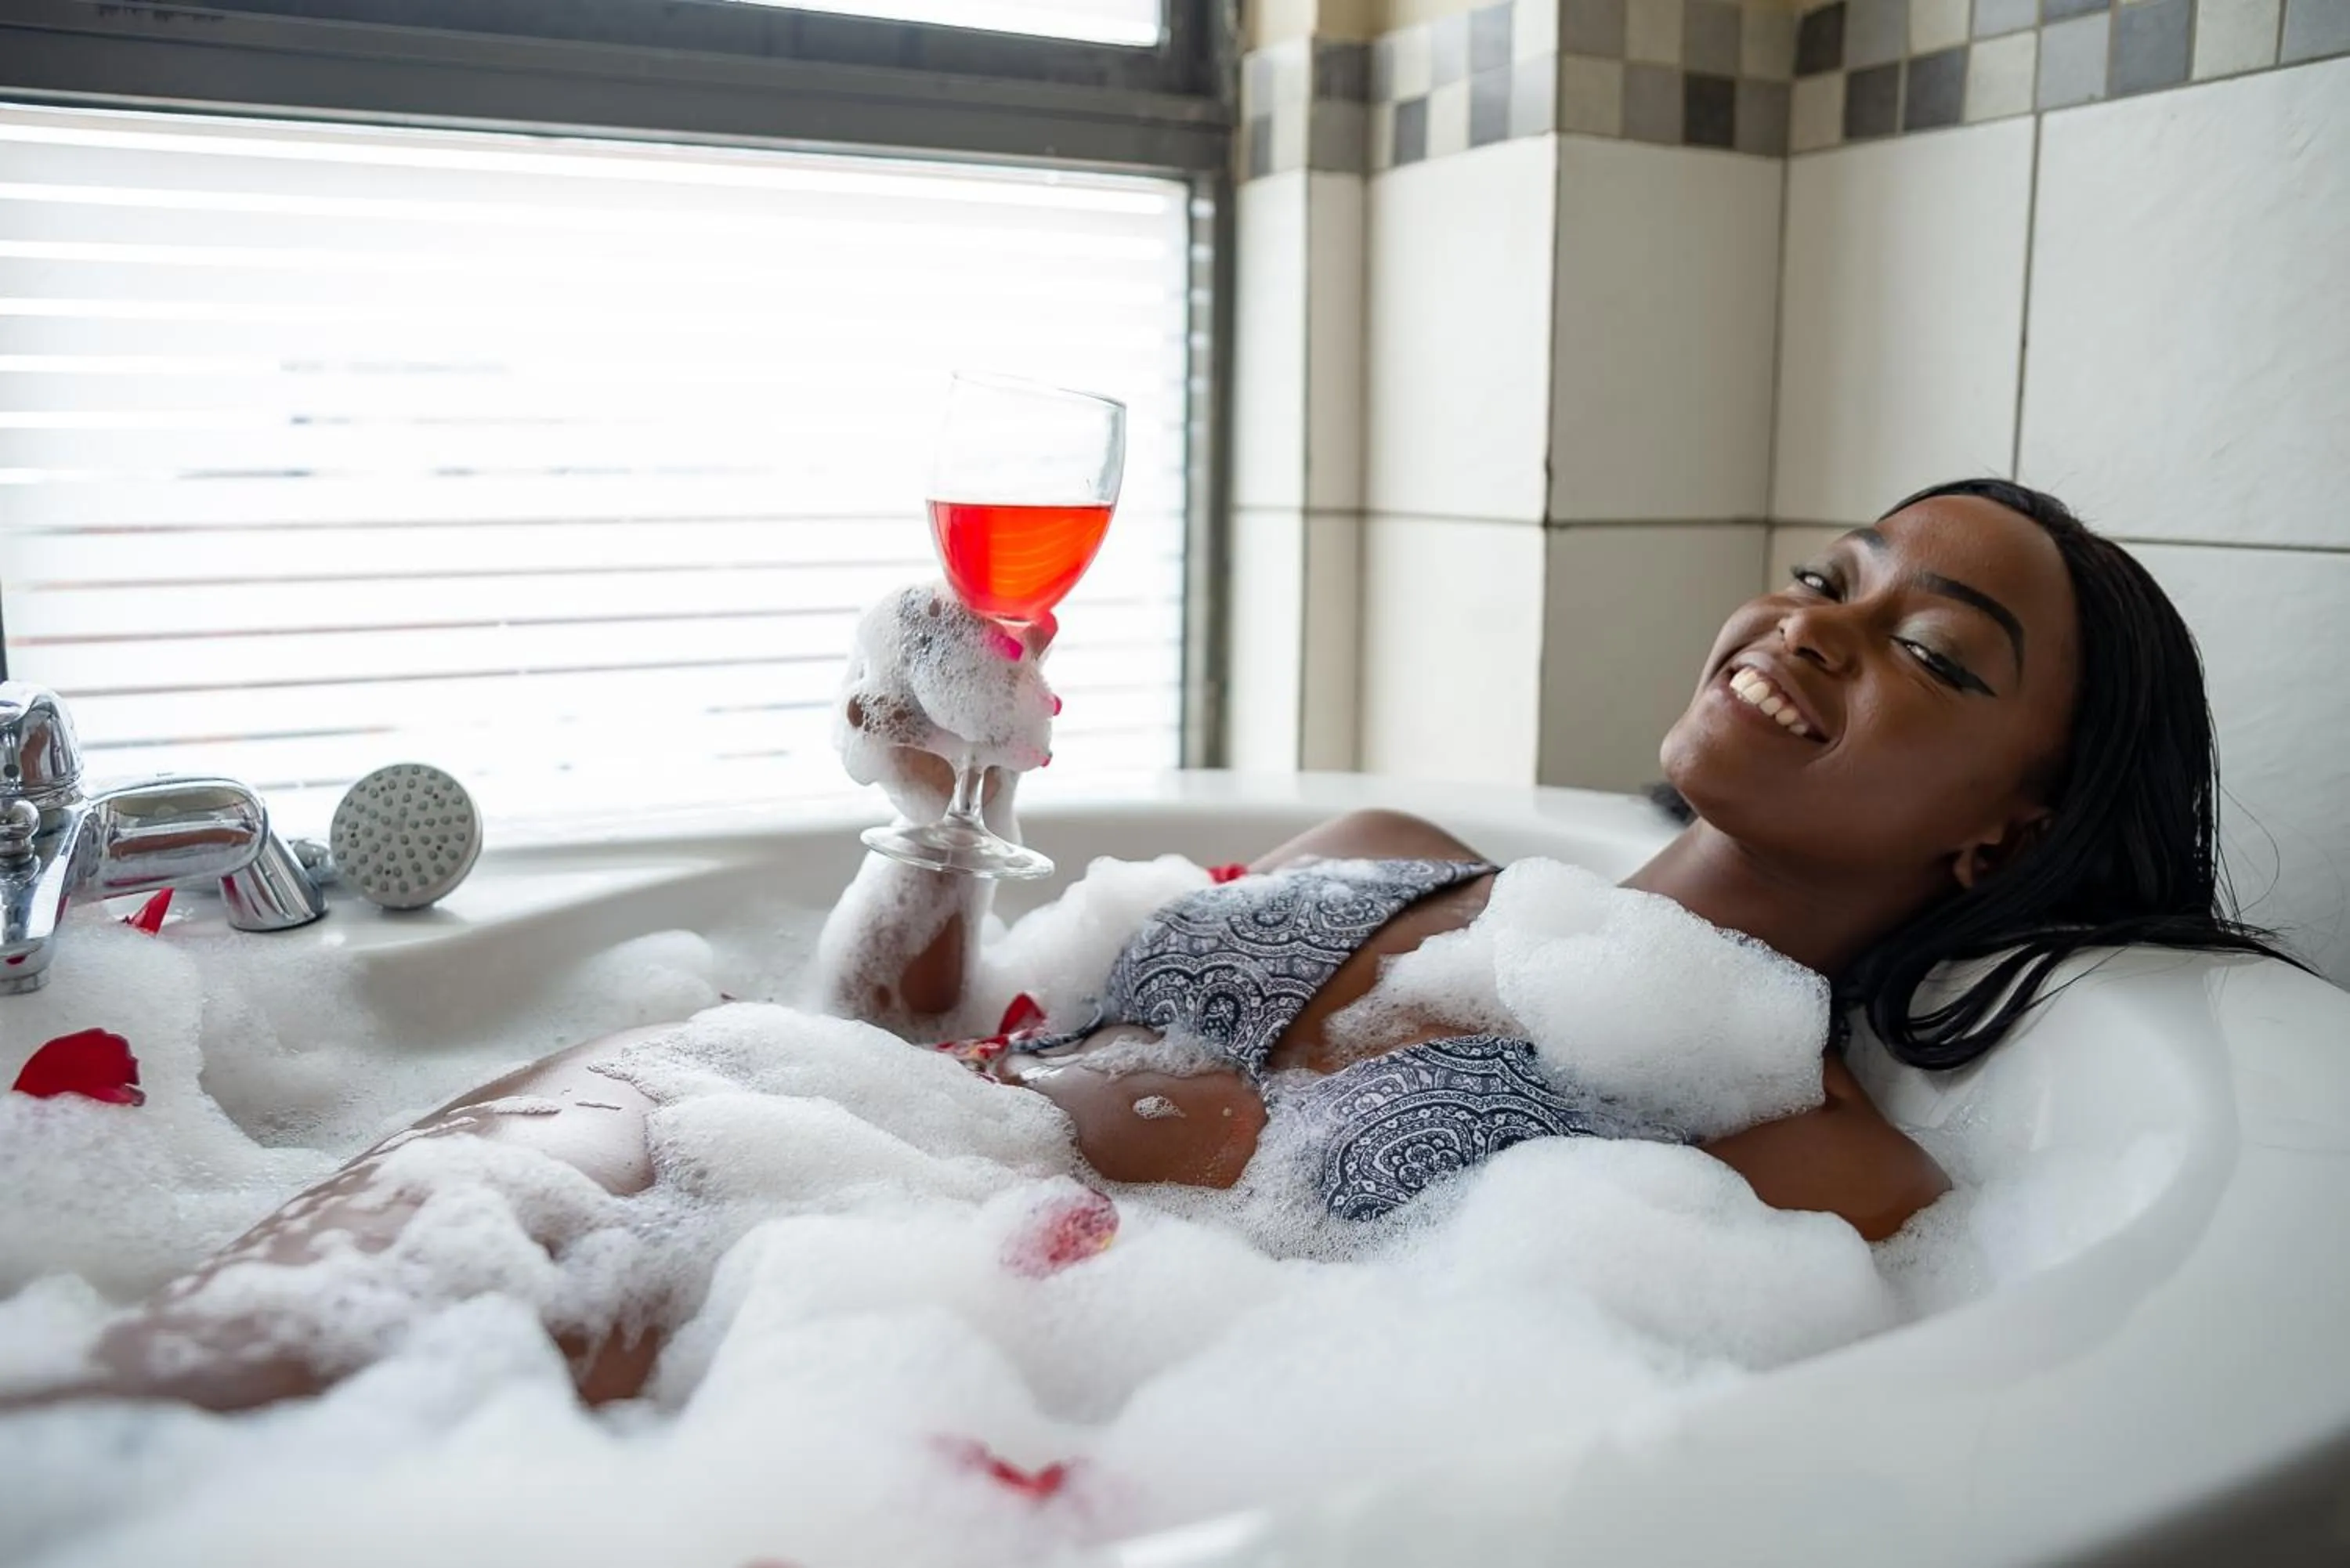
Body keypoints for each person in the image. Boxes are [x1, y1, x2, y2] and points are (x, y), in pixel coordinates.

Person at [9, 479, 2290, 1413]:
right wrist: (933, 831)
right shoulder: (1389, 851)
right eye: (1827, 574)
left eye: (1936, 649)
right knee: (197, 1392)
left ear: (2004, 829)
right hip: (773, 1177)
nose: (1819, 628)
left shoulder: (1817, 1164)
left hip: (925, 1359)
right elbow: (907, 1035)